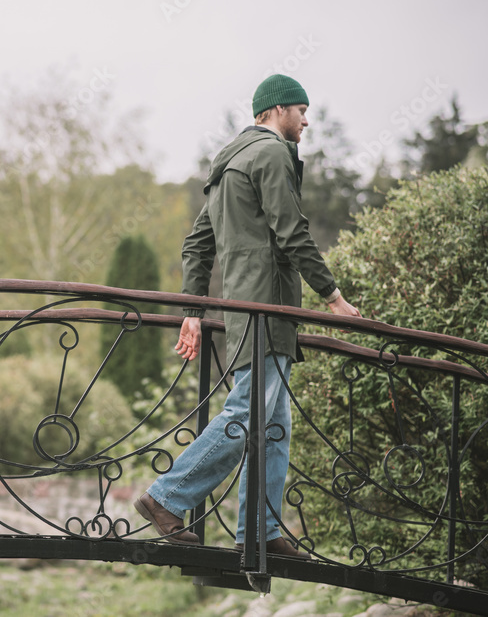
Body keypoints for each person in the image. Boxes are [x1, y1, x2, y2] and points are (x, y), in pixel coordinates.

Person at [133, 75, 361, 558]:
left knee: (274, 425)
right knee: (247, 415)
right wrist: (333, 297)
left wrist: (194, 310)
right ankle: (166, 497)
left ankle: (260, 530)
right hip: (269, 310)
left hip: (243, 312)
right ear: (277, 109)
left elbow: (197, 244)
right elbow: (292, 230)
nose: (306, 119)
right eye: (302, 109)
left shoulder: (229, 159)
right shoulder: (273, 153)